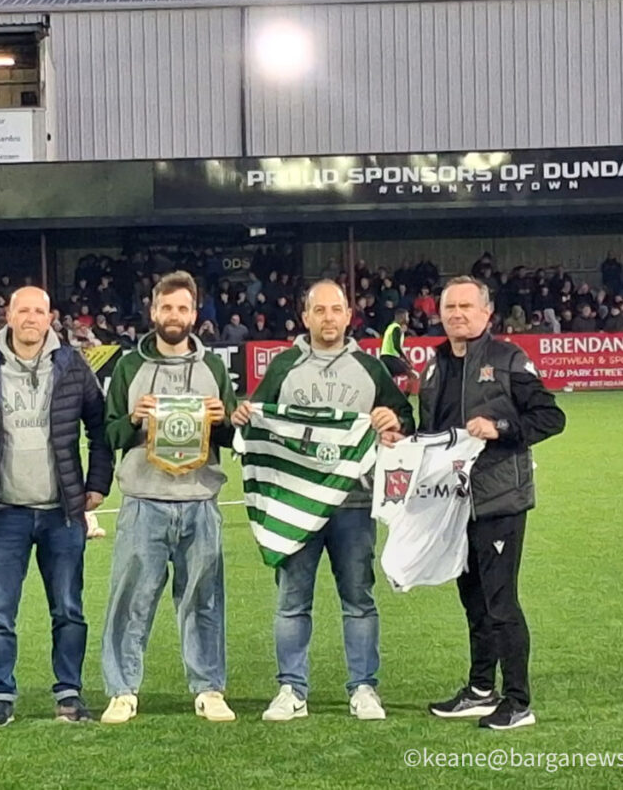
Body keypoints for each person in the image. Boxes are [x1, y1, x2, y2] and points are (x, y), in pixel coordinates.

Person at [231, 280, 415, 722]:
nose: (329, 318)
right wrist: (243, 417)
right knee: (292, 601)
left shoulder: (370, 368)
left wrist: (393, 419)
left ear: (349, 315)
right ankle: (291, 689)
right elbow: (258, 418)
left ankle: (364, 688)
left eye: (336, 309)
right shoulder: (284, 366)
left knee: (358, 599)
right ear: (305, 317)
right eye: (320, 310)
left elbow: (405, 419)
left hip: (354, 504)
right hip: (295, 506)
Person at [0, 286, 114, 727]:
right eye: (24, 310)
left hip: (63, 513)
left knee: (69, 610)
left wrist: (97, 484)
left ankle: (69, 694)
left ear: (50, 317)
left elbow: (100, 427)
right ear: (10, 315)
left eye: (39, 311)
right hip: (3, 513)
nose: (31, 318)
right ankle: (0, 696)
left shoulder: (72, 364)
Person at [418, 276, 565, 730]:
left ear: (487, 313)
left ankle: (518, 702)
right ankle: (481, 690)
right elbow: (431, 432)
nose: (457, 314)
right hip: (452, 503)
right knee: (474, 602)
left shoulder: (508, 359)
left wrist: (500, 427)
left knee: (501, 603)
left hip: (499, 500)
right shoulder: (435, 365)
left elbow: (550, 416)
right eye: (450, 307)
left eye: (467, 306)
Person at [99, 271, 238, 725]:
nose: (174, 315)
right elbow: (108, 433)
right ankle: (122, 691)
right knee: (130, 601)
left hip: (200, 500)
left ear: (194, 314)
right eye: (166, 307)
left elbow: (233, 437)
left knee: (204, 600)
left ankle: (209, 688)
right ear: (153, 311)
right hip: (144, 500)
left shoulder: (213, 367)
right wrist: (132, 419)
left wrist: (223, 420)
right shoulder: (128, 366)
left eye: (182, 308)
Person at [379, 309, 419, 387]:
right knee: (413, 375)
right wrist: (407, 359)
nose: (408, 319)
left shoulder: (390, 327)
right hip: (391, 358)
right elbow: (396, 346)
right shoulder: (396, 328)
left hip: (385, 357)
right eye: (407, 316)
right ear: (402, 317)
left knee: (389, 381)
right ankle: (406, 394)